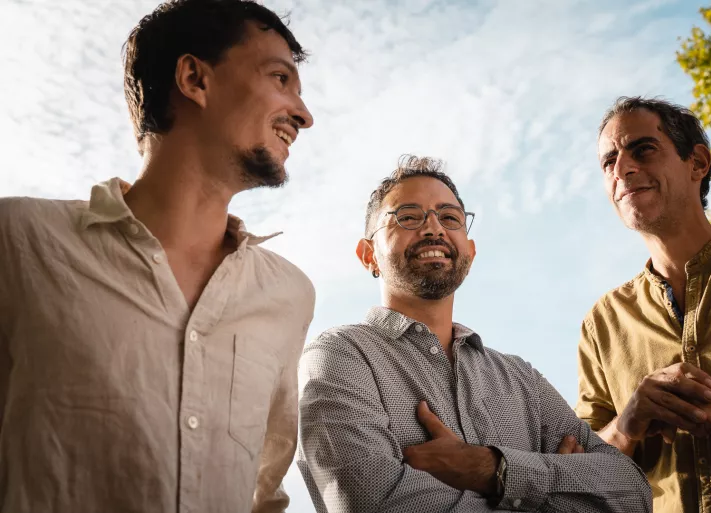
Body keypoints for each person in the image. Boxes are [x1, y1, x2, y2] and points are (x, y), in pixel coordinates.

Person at [0, 1, 315, 511]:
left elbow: (263, 491)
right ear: (194, 78)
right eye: (281, 78)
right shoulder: (18, 241)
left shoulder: (289, 296)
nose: (304, 115)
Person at [297, 155, 651, 513]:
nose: (433, 228)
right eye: (407, 216)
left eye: (449, 218)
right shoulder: (338, 357)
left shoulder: (521, 379)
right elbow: (374, 504)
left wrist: (490, 468)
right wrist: (560, 494)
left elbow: (632, 492)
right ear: (368, 254)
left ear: (471, 251)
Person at [576, 96, 711, 513]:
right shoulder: (602, 323)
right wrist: (627, 424)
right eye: (609, 161)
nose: (623, 169)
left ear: (698, 163)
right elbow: (576, 472)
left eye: (642, 149)